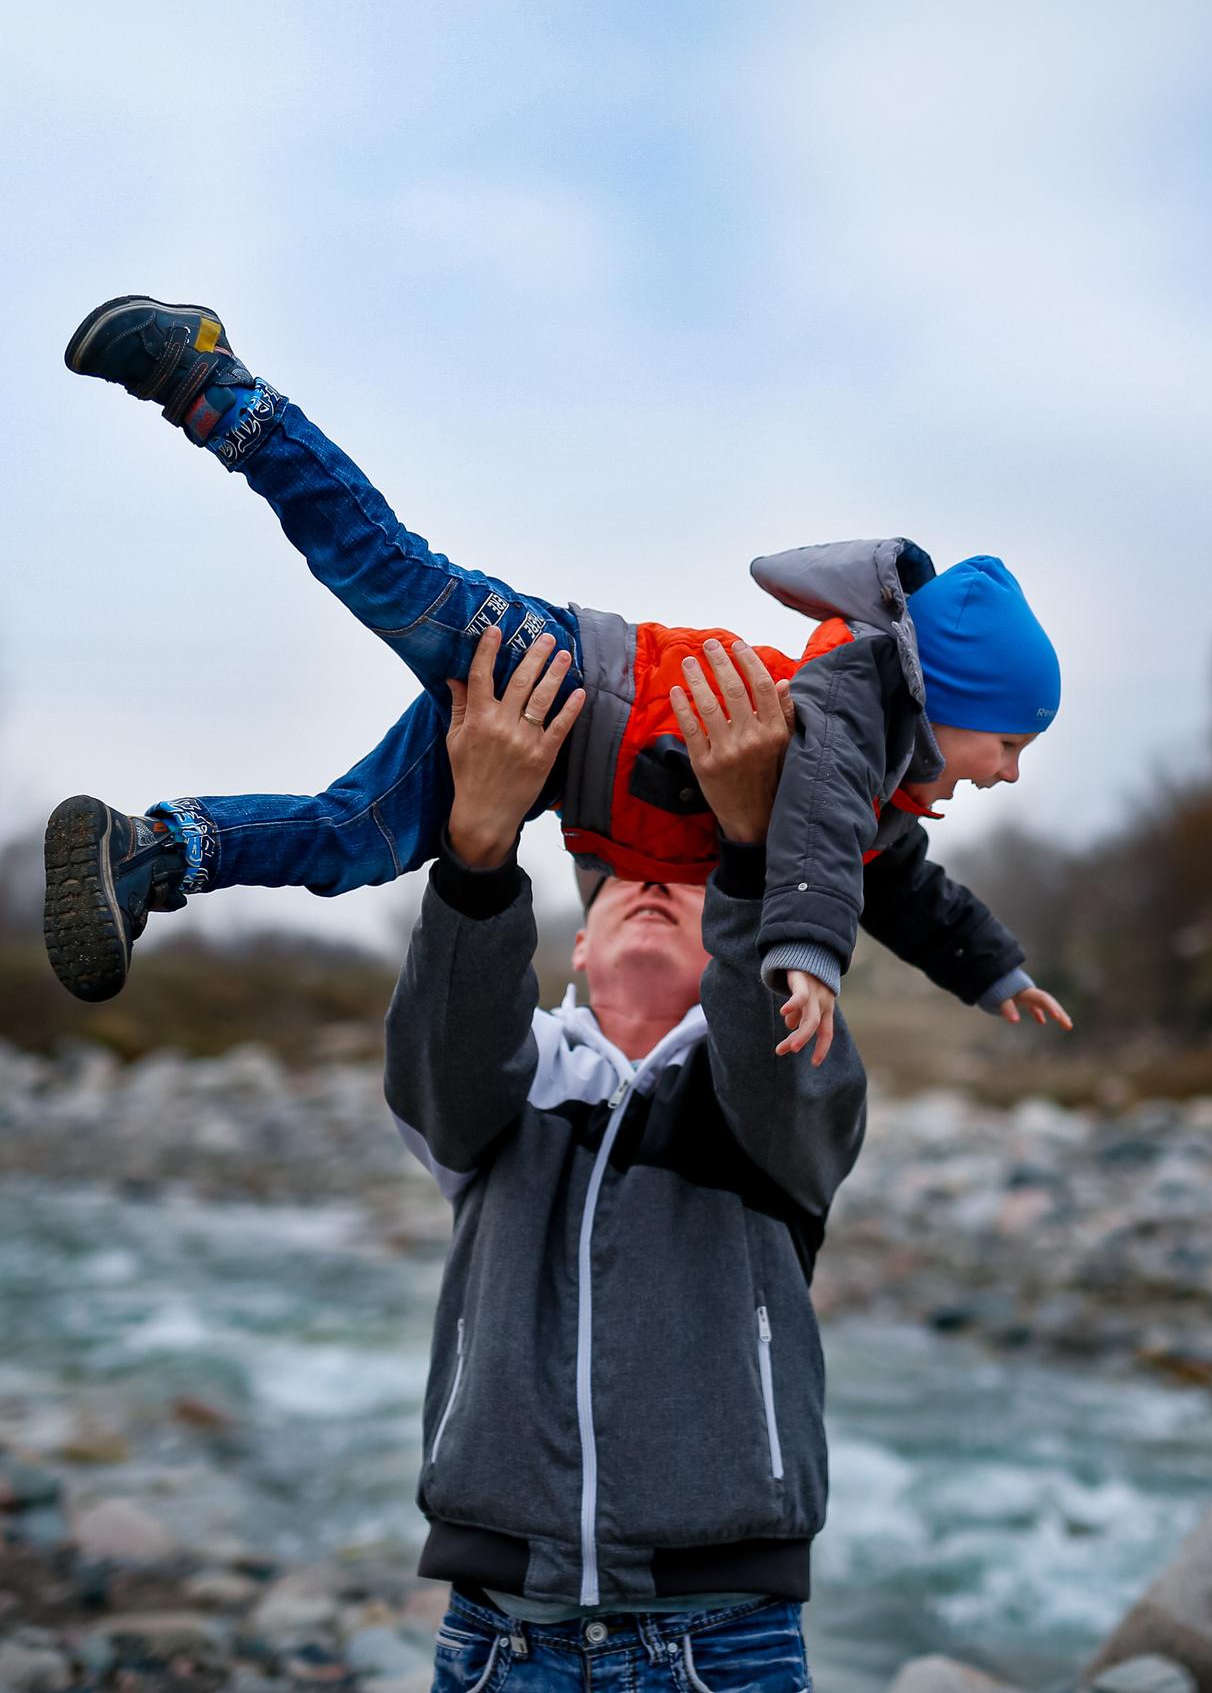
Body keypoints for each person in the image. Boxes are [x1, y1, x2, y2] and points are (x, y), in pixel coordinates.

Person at [42, 296, 1072, 1059]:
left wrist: (993, 970)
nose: (1009, 774)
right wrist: (802, 955)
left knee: (352, 841)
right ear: (946, 697)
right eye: (1010, 743)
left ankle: (154, 855)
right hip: (564, 672)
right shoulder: (853, 713)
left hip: (542, 776)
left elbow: (913, 895)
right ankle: (213, 386)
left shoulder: (878, 804)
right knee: (385, 574)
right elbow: (812, 838)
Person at [386, 608, 853, 1690]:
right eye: (613, 879)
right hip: (499, 1637)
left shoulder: (787, 1074)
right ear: (577, 943)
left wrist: (746, 849)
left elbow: (778, 1065)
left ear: (735, 923)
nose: (647, 881)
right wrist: (476, 850)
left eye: (684, 877)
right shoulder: (508, 1079)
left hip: (724, 1641)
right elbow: (438, 1077)